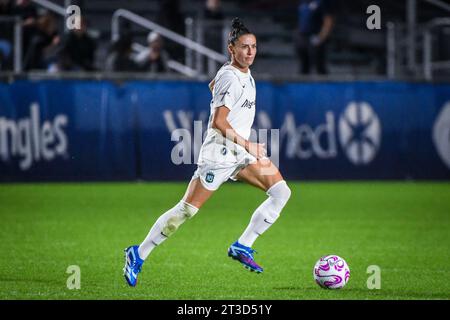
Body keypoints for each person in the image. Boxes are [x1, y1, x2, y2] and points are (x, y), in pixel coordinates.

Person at [123, 18, 292, 287]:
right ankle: (138, 254)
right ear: (231, 48)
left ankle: (242, 246)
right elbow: (218, 122)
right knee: (186, 211)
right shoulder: (230, 76)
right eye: (244, 47)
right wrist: (249, 145)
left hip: (239, 152)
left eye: (254, 47)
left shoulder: (238, 74)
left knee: (281, 192)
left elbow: (213, 86)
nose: (250, 52)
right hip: (220, 153)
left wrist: (244, 146)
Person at [295, 0, 335, 75]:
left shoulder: (322, 2)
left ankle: (324, 85)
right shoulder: (303, 3)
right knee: (303, 67)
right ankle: (303, 85)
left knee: (319, 67)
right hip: (302, 37)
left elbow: (328, 20)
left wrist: (321, 37)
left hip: (315, 37)